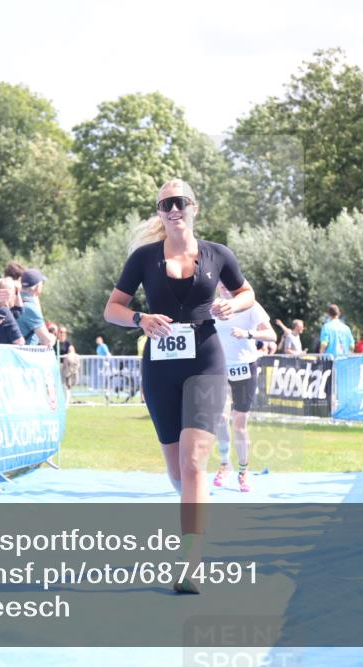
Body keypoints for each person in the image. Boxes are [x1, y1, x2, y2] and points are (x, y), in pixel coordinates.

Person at [103, 178, 255, 594]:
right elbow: (112, 308)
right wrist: (140, 319)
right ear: (159, 212)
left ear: (194, 208)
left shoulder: (218, 254)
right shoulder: (144, 257)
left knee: (193, 462)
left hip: (206, 362)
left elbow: (246, 293)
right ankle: (194, 504)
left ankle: (190, 562)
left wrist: (232, 304)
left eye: (180, 202)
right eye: (166, 203)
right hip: (160, 368)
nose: (173, 209)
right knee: (176, 469)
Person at [212, 287, 275, 493]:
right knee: (220, 418)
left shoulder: (251, 306)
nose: (223, 285)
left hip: (245, 366)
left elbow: (271, 334)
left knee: (239, 424)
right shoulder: (212, 305)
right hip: (219, 367)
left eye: (227, 281)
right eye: (220, 281)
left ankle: (243, 470)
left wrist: (248, 334)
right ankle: (224, 464)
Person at [16, 268, 56, 347]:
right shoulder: (30, 308)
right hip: (24, 353)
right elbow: (47, 341)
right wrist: (52, 336)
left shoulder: (13, 301)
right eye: (42, 283)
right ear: (37, 287)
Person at [0, 277, 25, 345]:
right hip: (5, 351)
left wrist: (16, 290)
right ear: (9, 295)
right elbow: (19, 341)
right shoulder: (4, 312)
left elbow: (18, 310)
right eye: (14, 293)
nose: (15, 296)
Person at [55, 325, 79, 400]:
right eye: (61, 332)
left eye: (65, 332)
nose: (63, 333)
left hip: (65, 367)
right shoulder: (55, 342)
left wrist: (70, 354)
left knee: (66, 384)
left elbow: (72, 350)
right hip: (55, 366)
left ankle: (66, 401)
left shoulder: (68, 343)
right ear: (58, 332)